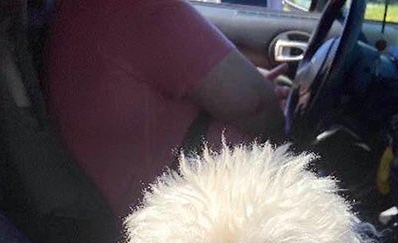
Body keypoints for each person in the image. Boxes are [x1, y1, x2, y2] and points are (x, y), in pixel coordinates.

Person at [47, 0, 287, 217]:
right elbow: (258, 107)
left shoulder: (76, 11)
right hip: (198, 211)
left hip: (141, 207)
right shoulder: (139, 9)